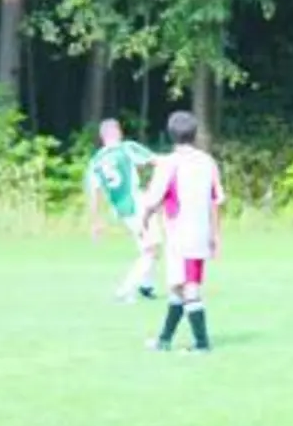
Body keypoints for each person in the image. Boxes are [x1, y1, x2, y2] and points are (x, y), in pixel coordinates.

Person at [138, 111, 224, 353]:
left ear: (170, 134)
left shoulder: (169, 164)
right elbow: (216, 199)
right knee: (178, 286)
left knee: (188, 287)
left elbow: (153, 198)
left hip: (179, 233)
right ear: (195, 134)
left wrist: (144, 219)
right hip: (200, 232)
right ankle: (164, 340)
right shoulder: (207, 161)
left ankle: (202, 344)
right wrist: (215, 234)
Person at [85, 119, 161, 302]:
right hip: (137, 204)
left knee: (151, 246)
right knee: (150, 249)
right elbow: (156, 161)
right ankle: (125, 290)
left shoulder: (95, 161)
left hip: (121, 209)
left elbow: (94, 193)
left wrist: (96, 222)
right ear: (117, 132)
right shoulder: (126, 148)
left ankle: (147, 286)